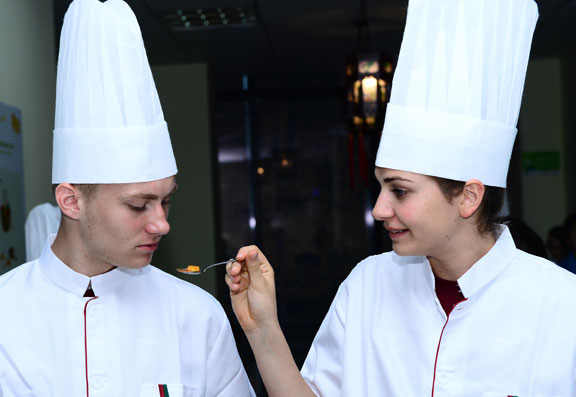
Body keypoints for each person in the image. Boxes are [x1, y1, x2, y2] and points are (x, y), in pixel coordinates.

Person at [226, 0, 576, 395]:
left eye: (400, 190)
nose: (378, 209)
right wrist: (263, 329)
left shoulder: (562, 306)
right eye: (380, 187)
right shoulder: (366, 286)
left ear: (468, 197)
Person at [0, 1, 253, 396]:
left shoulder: (197, 315)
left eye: (166, 200)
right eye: (138, 205)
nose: (161, 224)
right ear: (71, 201)